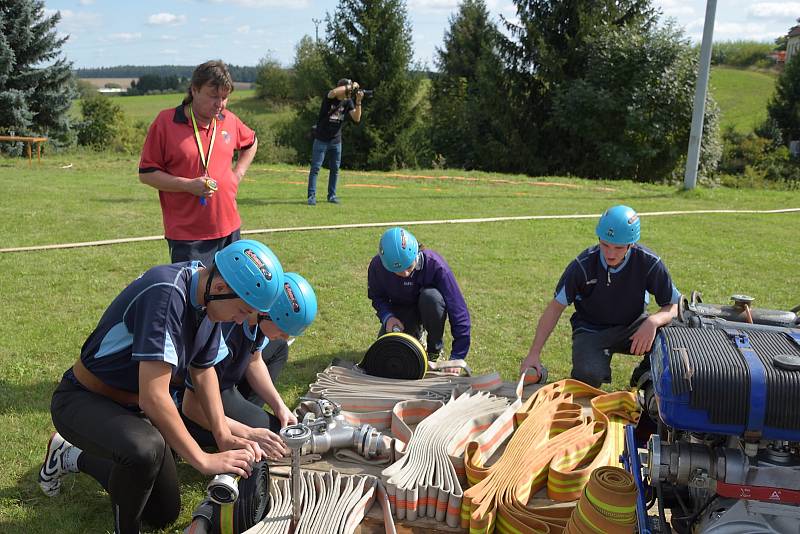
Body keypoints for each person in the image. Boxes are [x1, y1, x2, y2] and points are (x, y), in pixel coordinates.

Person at [38, 240, 283, 534]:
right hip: (82, 398)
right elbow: (154, 398)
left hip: (130, 407)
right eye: (243, 310)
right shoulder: (166, 292)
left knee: (163, 513)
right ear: (220, 288)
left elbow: (203, 371)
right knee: (145, 448)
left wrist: (222, 435)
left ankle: (69, 455)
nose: (242, 320)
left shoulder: (207, 300)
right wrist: (203, 459)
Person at [519, 205, 680, 387]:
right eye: (605, 244)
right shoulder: (582, 265)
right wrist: (533, 354)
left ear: (631, 244)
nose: (610, 254)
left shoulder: (649, 262)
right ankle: (592, 368)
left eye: (618, 248)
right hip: (591, 329)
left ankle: (645, 374)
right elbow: (555, 308)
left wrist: (653, 321)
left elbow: (676, 306)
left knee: (676, 331)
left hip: (633, 326)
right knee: (587, 376)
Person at [181, 273, 318, 458]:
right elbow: (191, 406)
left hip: (225, 385)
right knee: (277, 436)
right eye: (283, 329)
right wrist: (248, 432)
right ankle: (198, 432)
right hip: (196, 401)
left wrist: (280, 406)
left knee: (279, 348)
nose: (286, 337)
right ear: (267, 313)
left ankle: (245, 412)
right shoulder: (226, 332)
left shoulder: (256, 319)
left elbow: (254, 361)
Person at [139, 60, 258, 267]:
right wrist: (186, 185)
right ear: (194, 90)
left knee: (229, 296)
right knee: (195, 298)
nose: (219, 104)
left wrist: (237, 174)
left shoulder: (228, 119)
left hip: (230, 229)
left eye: (224, 97)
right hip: (189, 236)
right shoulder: (166, 122)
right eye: (213, 96)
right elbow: (147, 173)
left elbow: (252, 142)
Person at [367, 227, 471, 360]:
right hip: (401, 310)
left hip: (429, 306)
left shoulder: (436, 266)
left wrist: (458, 356)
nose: (405, 274)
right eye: (397, 271)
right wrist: (388, 317)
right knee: (388, 355)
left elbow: (458, 309)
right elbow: (377, 297)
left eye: (409, 267)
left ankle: (434, 351)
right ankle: (417, 334)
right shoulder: (377, 266)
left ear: (416, 252)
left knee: (432, 298)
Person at [306, 78, 363, 205]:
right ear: (342, 88)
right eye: (347, 89)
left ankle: (331, 196)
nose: (350, 92)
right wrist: (351, 85)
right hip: (321, 139)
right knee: (315, 168)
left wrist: (358, 102)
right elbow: (334, 91)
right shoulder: (330, 97)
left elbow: (357, 118)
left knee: (335, 169)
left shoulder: (348, 102)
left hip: (336, 141)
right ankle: (311, 196)